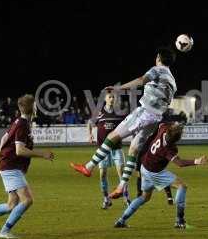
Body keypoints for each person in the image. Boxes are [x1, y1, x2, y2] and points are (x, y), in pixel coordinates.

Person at [71, 48, 177, 200]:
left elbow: (141, 80)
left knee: (112, 136)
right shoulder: (172, 80)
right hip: (156, 117)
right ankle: (121, 186)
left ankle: (88, 167)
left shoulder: (157, 70)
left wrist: (118, 88)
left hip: (145, 112)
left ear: (158, 58)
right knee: (133, 149)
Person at [0, 94, 54, 239]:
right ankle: (4, 231)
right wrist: (42, 154)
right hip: (12, 166)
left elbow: (3, 139)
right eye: (36, 105)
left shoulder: (19, 121)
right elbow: (19, 150)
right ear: (31, 107)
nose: (37, 107)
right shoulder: (22, 124)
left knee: (11, 204)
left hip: (8, 165)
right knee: (27, 200)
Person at [114, 122, 208, 229]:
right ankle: (179, 220)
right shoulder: (168, 149)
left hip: (145, 168)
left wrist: (174, 125)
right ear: (176, 139)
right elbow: (179, 163)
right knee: (182, 186)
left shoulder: (163, 129)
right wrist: (197, 161)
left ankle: (121, 220)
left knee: (144, 197)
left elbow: (161, 123)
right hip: (155, 173)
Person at [87, 91, 130, 209]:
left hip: (117, 148)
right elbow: (90, 123)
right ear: (105, 99)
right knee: (102, 174)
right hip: (103, 149)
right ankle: (106, 199)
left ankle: (126, 197)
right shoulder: (99, 112)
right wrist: (89, 134)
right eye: (110, 97)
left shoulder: (120, 113)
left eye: (113, 97)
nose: (112, 99)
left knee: (122, 173)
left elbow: (128, 125)